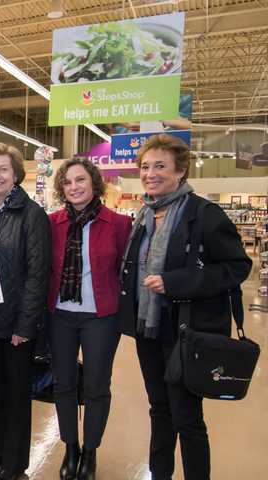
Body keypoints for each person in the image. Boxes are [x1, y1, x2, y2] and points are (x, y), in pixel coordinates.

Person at [118, 134, 252, 480]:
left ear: (180, 171)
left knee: (187, 417)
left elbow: (237, 267)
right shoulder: (144, 216)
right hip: (149, 328)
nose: (150, 173)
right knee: (159, 409)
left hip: (186, 331)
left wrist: (175, 282)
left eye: (160, 166)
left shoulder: (205, 214)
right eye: (145, 166)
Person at [47, 158, 132, 480]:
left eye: (80, 180)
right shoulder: (52, 223)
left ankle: (90, 452)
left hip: (101, 317)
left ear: (94, 183)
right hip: (60, 316)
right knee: (64, 384)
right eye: (67, 183)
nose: (74, 187)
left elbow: (126, 272)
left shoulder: (118, 224)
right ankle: (70, 447)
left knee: (97, 386)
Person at [0, 143, 51, 480]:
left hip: (16, 323)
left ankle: (15, 462)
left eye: (3, 169)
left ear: (16, 174)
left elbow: (38, 274)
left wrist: (25, 323)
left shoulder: (31, 214)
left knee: (17, 395)